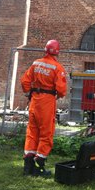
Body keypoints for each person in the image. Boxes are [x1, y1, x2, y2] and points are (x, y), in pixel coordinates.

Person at [20, 39, 68, 177]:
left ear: (45, 50)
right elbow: (62, 90)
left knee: (32, 132)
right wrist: (57, 94)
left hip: (35, 100)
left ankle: (27, 165)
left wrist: (30, 91)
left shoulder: (36, 63)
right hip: (47, 102)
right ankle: (39, 165)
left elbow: (25, 81)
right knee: (46, 133)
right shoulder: (57, 68)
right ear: (57, 52)